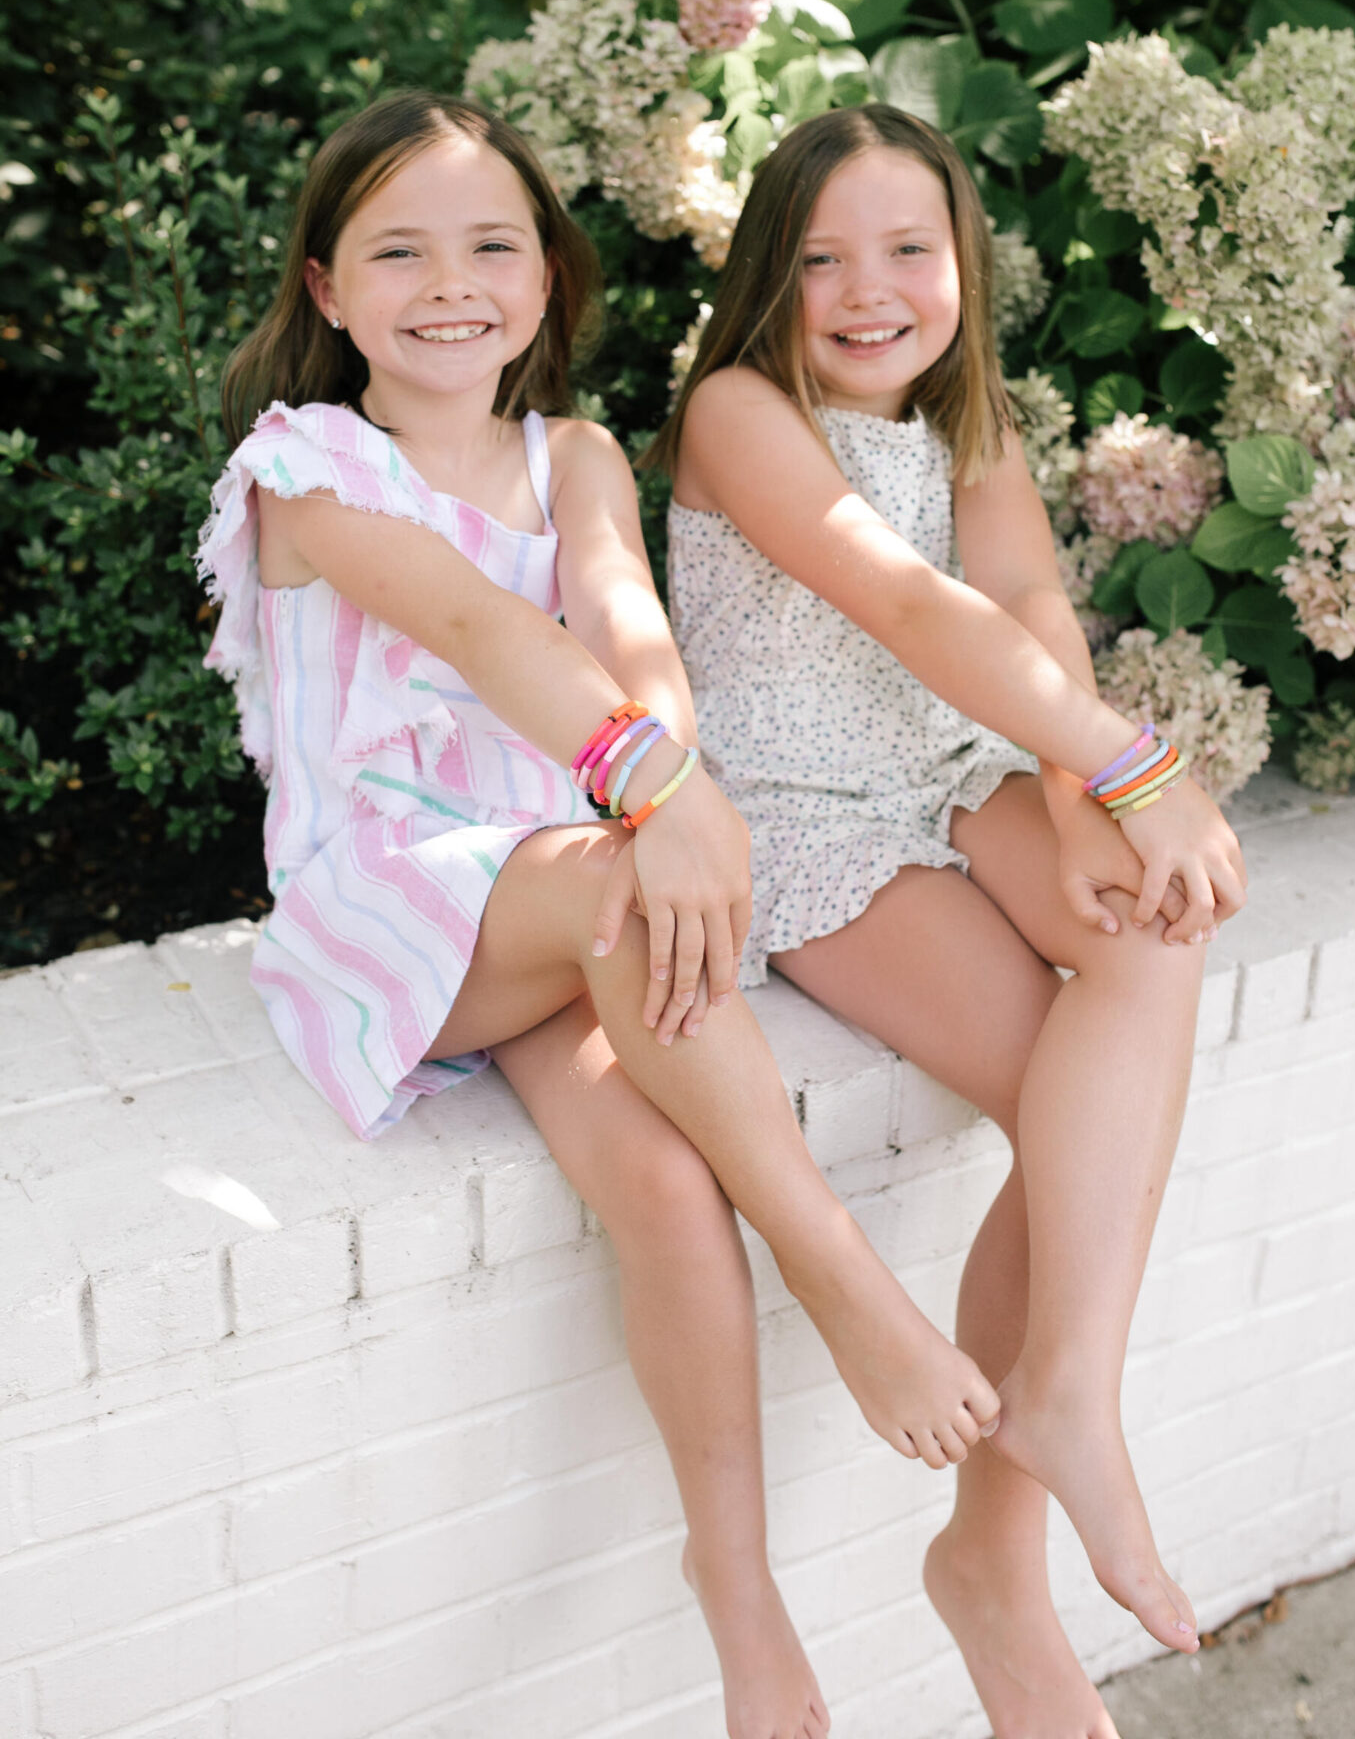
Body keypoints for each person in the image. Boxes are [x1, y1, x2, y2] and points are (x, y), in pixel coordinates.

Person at [198, 89, 1002, 1739]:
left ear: (550, 280)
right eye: (398, 251)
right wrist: (658, 796)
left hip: (566, 880)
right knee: (624, 887)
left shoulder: (574, 454)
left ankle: (741, 1600)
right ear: (328, 289)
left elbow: (627, 627)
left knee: (661, 1183)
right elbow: (478, 628)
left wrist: (671, 767)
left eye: (495, 244)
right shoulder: (306, 470)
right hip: (394, 899)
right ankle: (846, 1280)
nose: (452, 283)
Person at [652, 102, 1249, 1739]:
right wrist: (1139, 764)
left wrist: (1080, 793)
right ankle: (1020, 1520)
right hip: (808, 808)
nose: (870, 290)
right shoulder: (739, 411)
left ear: (961, 266)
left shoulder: (969, 424)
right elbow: (903, 602)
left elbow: (1025, 607)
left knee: (1146, 927)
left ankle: (1023, 1479)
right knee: (1070, 1103)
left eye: (909, 251)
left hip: (955, 767)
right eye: (825, 256)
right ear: (772, 276)